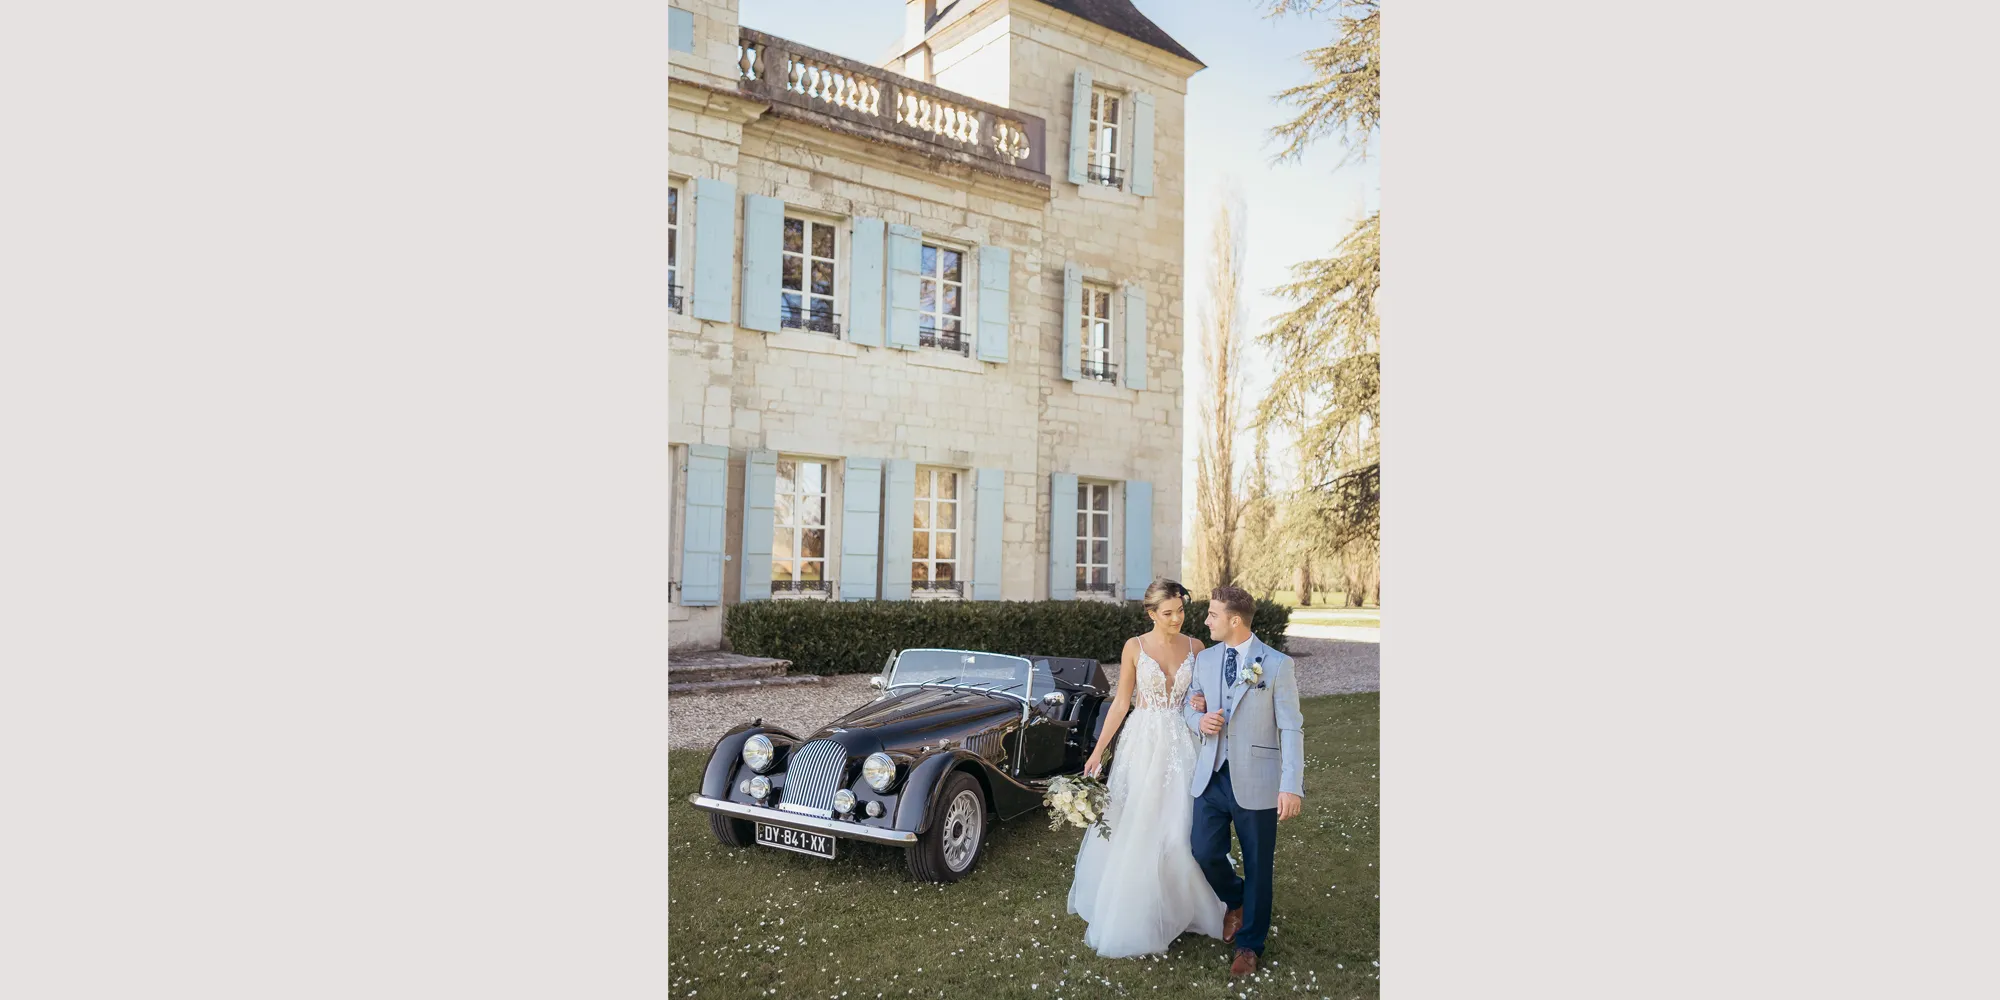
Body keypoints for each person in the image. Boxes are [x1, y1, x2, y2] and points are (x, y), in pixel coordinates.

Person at [1066, 579, 1227, 958]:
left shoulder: (1197, 647)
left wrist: (1201, 702)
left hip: (1184, 743)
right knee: (1139, 823)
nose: (1177, 618)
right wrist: (1097, 751)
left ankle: (1183, 907)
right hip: (1143, 743)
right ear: (1152, 613)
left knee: (1181, 826)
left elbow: (1200, 699)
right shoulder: (1134, 648)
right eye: (1168, 613)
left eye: (1181, 610)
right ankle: (1138, 909)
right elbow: (1121, 703)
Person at [1184, 585, 1306, 978]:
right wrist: (1199, 720)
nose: (1206, 621)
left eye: (1213, 615)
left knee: (1259, 866)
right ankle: (1237, 900)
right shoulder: (1205, 659)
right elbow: (1190, 702)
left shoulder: (1275, 665)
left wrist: (1290, 785)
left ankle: (1250, 945)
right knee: (1203, 851)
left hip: (1258, 779)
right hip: (1212, 776)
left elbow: (1291, 728)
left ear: (1235, 621)